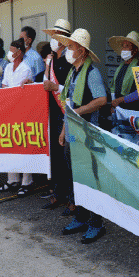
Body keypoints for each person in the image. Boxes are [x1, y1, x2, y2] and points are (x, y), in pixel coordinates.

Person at [52, 28, 109, 244]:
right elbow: (68, 103)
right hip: (72, 133)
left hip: (87, 133)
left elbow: (101, 100)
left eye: (71, 47)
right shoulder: (73, 73)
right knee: (75, 177)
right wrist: (64, 130)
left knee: (89, 179)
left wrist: (78, 112)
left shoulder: (91, 73)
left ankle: (96, 223)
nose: (68, 50)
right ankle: (81, 217)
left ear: (82, 51)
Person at [41, 19, 73, 211]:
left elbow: (72, 89)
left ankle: (71, 198)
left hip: (65, 112)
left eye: (56, 35)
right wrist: (47, 65)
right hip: (52, 112)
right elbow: (45, 82)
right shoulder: (52, 59)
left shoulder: (69, 59)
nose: (53, 38)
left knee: (66, 157)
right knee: (55, 155)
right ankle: (58, 193)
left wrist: (56, 87)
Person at [0, 39, 34, 194]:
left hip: (22, 111)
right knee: (10, 144)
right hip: (9, 110)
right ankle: (12, 179)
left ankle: (27, 181)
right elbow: (4, 85)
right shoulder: (7, 67)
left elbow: (23, 90)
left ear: (19, 52)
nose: (9, 53)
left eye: (12, 50)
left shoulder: (26, 68)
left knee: (24, 144)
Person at [108, 31, 139, 111]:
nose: (123, 49)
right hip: (120, 111)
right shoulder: (121, 67)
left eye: (127, 46)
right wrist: (113, 104)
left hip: (134, 112)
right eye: (123, 46)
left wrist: (122, 99)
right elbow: (115, 88)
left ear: (135, 50)